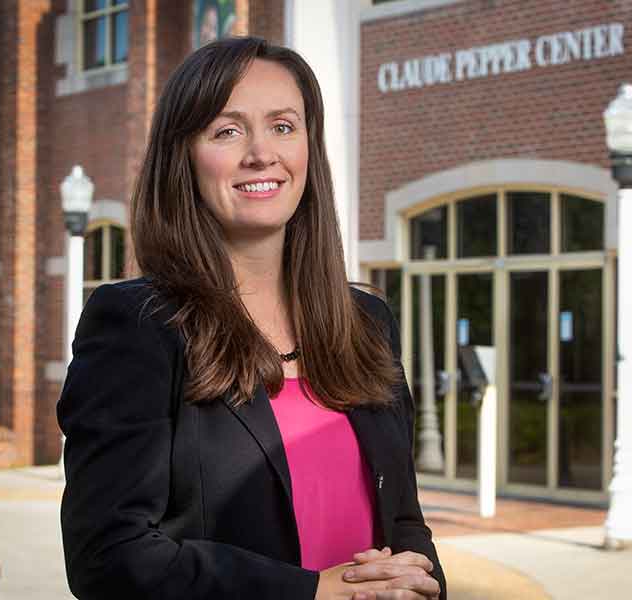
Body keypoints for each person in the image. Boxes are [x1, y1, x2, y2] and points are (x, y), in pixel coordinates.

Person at [57, 36, 446, 600]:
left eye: (284, 126)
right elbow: (109, 556)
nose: (261, 153)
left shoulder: (367, 321)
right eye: (228, 130)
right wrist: (313, 593)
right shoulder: (137, 325)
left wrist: (421, 585)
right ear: (183, 156)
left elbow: (404, 518)